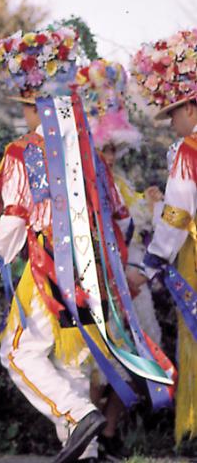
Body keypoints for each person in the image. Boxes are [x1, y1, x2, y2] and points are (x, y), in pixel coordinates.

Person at [0, 26, 173, 463]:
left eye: (26, 107)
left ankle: (80, 414)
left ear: (35, 108)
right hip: (95, 269)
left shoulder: (22, 152)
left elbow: (14, 218)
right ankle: (87, 450)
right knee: (70, 362)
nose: (26, 117)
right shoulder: (91, 155)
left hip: (51, 264)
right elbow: (122, 220)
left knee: (17, 351)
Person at [77, 59, 166, 460]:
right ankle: (87, 437)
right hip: (96, 289)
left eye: (114, 149)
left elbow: (137, 234)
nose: (110, 157)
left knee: (133, 364)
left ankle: (109, 433)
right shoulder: (79, 190)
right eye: (103, 149)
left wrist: (137, 268)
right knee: (96, 368)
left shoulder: (124, 187)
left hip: (129, 291)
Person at [129, 28, 197, 446]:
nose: (171, 121)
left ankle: (192, 430)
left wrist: (151, 263)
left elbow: (178, 213)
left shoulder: (189, 150)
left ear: (191, 106)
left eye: (173, 112)